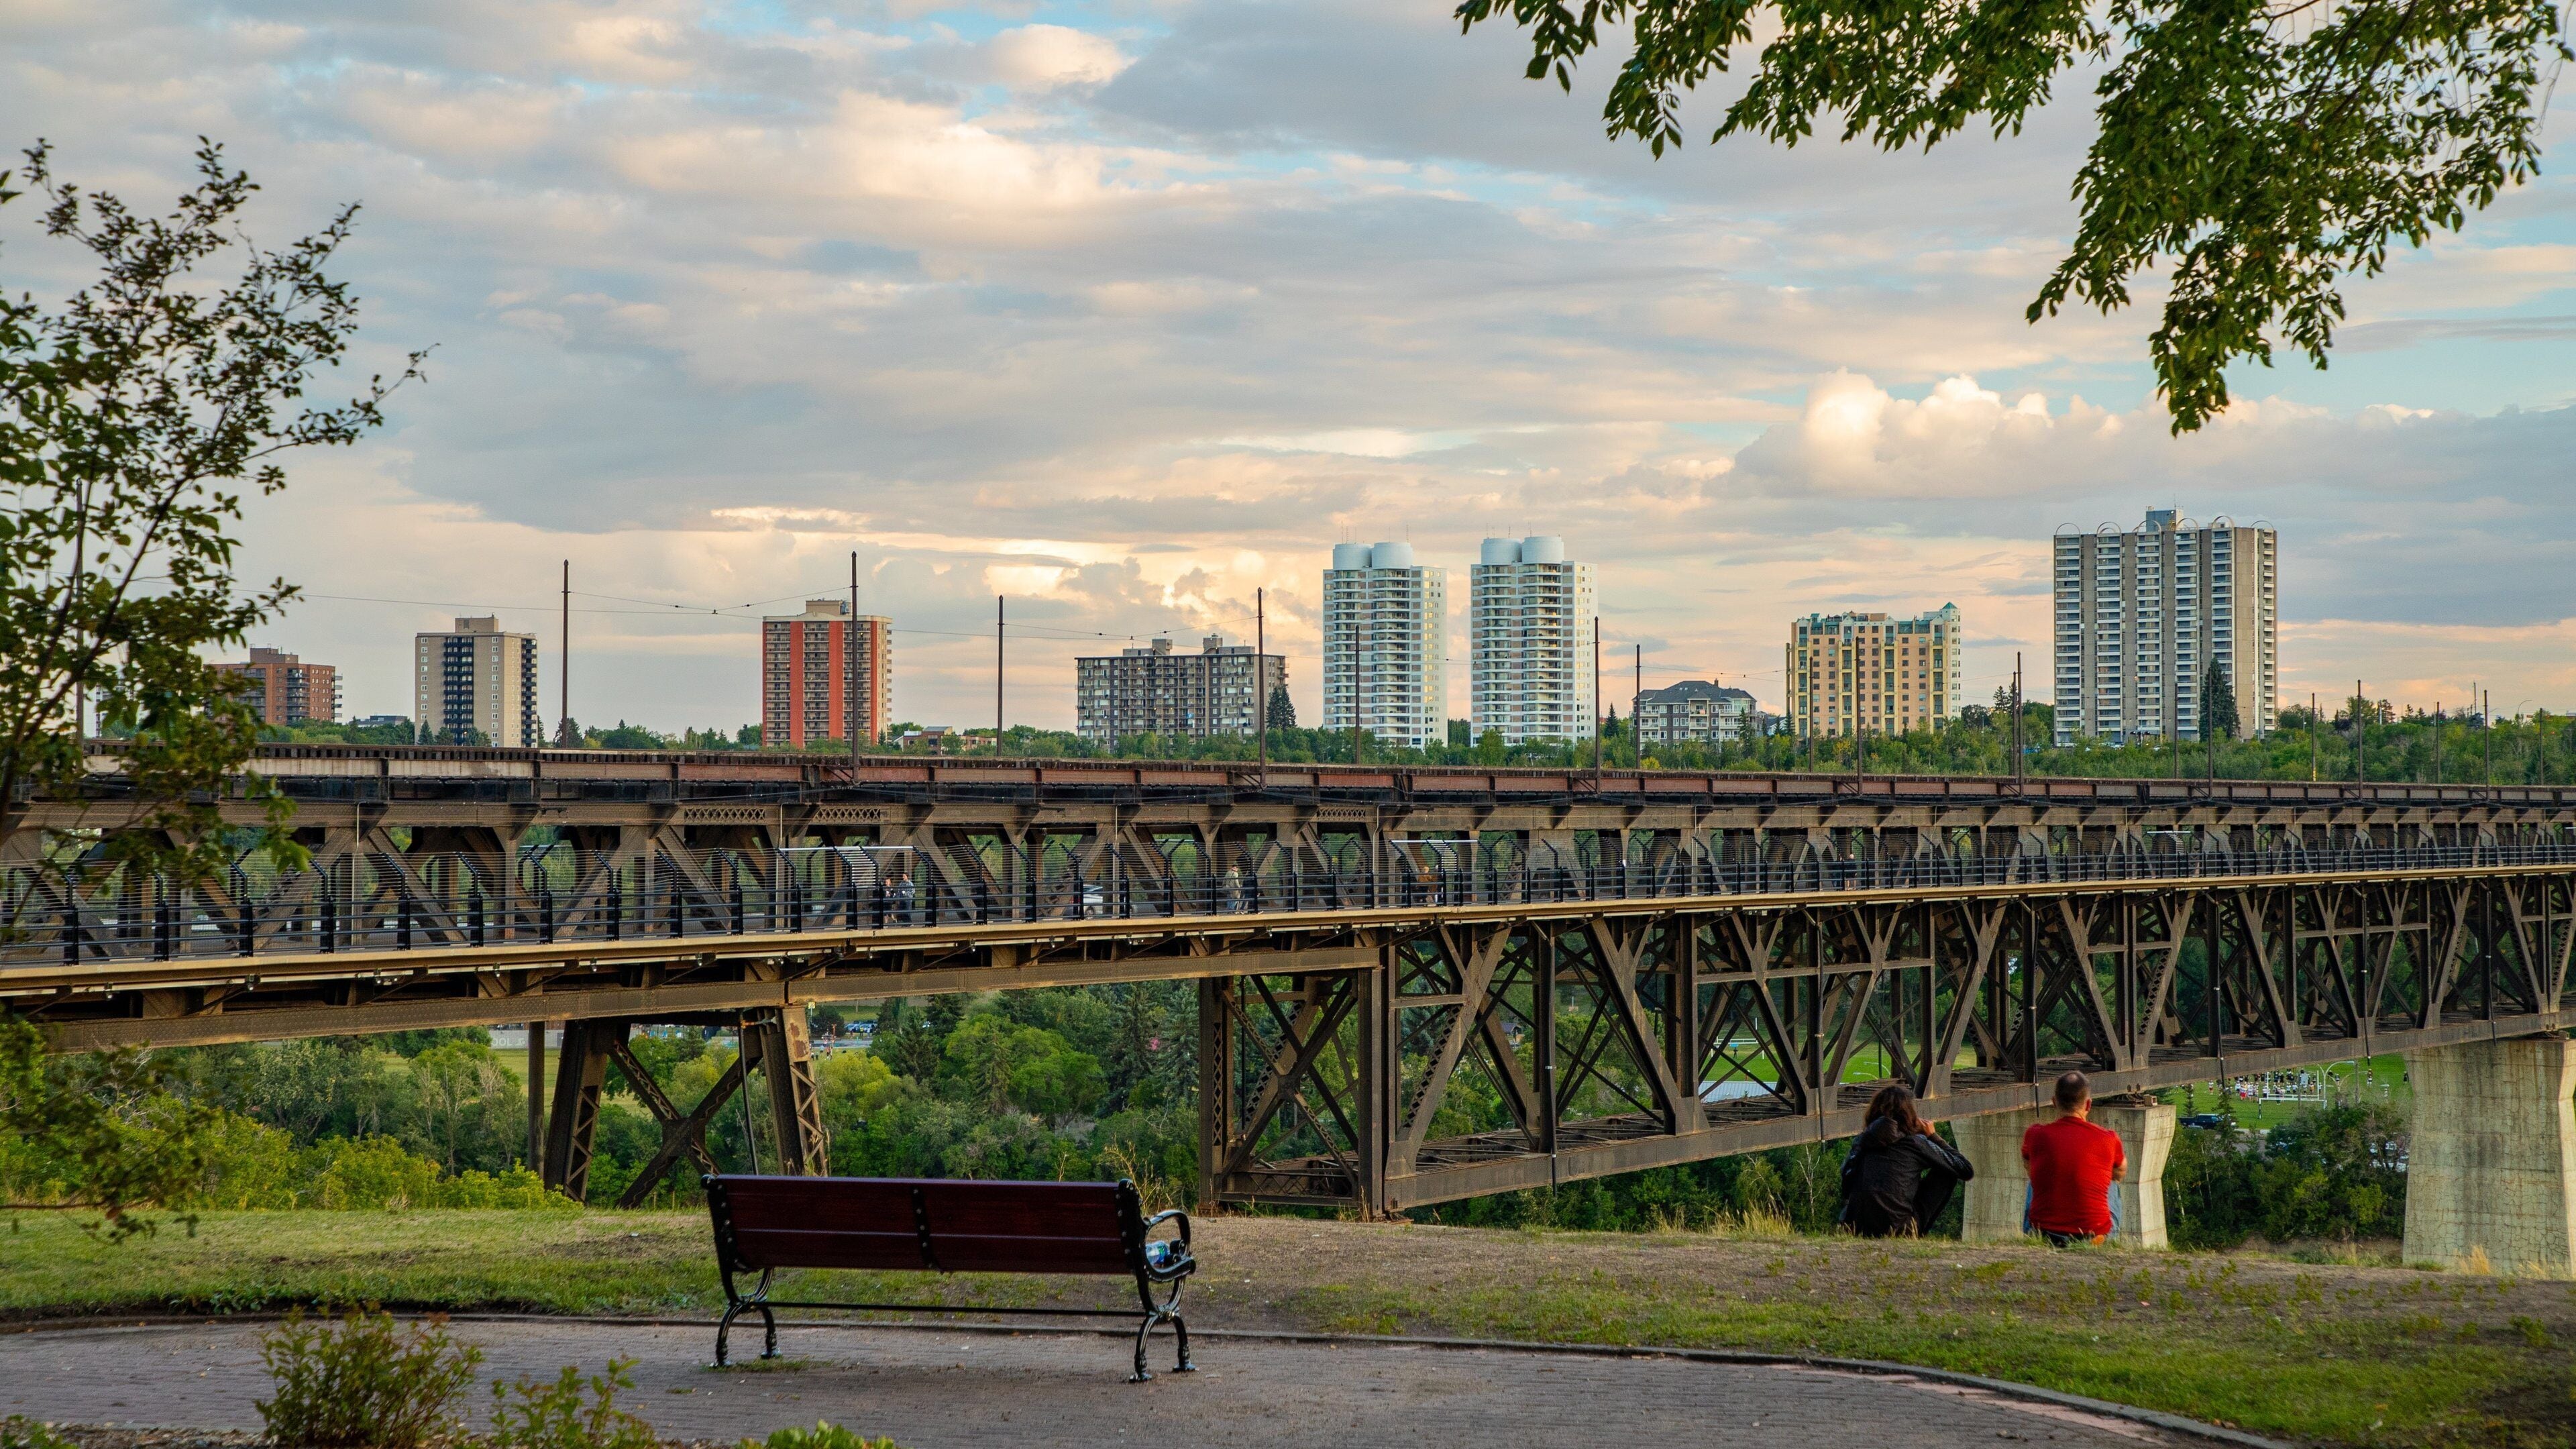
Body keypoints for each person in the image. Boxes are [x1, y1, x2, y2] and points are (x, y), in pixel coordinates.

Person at [1837, 1083, 1975, 1238]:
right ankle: (1916, 1234)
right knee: (1947, 1172)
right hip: (1899, 1230)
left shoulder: (1861, 1142)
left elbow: (1846, 1186)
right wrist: (1933, 1136)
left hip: (1856, 1228)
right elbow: (1965, 1169)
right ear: (1909, 1114)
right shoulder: (1915, 1143)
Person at [2021, 1070, 2127, 1246]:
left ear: (2054, 1103)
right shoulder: (2108, 1138)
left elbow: (2030, 1170)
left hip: (2045, 1235)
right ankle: (2103, 1238)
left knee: (2037, 1178)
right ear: (2088, 1105)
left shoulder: (2035, 1135)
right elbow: (2120, 1173)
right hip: (2094, 1238)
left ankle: (2036, 1235)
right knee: (2112, 1179)